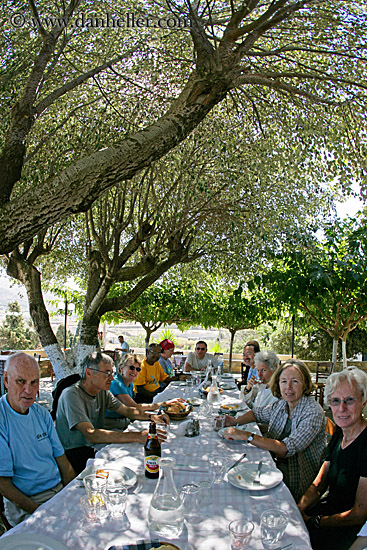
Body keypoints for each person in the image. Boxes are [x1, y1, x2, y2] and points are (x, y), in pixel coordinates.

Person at [223, 359, 326, 502]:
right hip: (271, 463)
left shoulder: (312, 412)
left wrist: (247, 436)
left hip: (295, 478)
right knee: (229, 470)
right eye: (284, 381)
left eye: (295, 381)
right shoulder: (282, 403)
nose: (288, 387)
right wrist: (234, 421)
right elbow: (256, 413)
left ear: (305, 385)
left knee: (238, 491)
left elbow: (285, 448)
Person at [55, 351, 168, 474]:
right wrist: (138, 436)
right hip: (74, 453)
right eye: (107, 373)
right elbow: (91, 434)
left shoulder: (101, 391)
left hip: (93, 446)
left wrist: (153, 417)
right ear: (89, 373)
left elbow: (128, 411)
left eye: (112, 373)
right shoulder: (71, 395)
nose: (112, 378)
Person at [0, 353, 75, 526]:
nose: (29, 390)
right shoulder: (2, 418)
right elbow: (3, 484)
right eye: (21, 382)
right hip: (27, 503)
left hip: (57, 493)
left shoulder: (41, 414)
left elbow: (62, 461)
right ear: (6, 380)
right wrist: (40, 513)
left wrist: (72, 494)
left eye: (34, 382)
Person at [298, 367, 367, 550]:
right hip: (327, 512)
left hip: (350, 529)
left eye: (349, 400)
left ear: (364, 402)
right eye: (335, 401)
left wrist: (316, 521)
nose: (341, 408)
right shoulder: (340, 433)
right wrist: (298, 509)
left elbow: (359, 513)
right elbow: (319, 483)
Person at [105, 353, 184, 429]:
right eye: (131, 368)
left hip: (124, 418)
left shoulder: (129, 383)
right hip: (113, 423)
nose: (135, 371)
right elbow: (134, 407)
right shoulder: (117, 383)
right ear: (121, 369)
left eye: (138, 369)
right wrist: (165, 404)